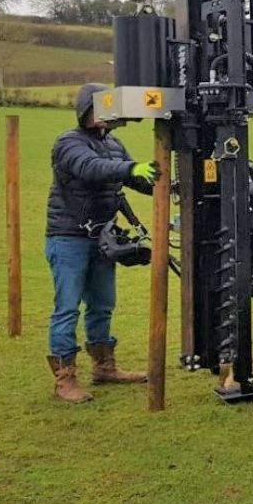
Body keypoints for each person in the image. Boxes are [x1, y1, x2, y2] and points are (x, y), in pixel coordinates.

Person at [44, 83, 160, 403]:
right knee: (68, 308)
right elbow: (91, 169)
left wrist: (168, 184)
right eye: (100, 110)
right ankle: (65, 378)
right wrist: (129, 168)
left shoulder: (115, 144)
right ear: (85, 112)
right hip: (69, 237)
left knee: (102, 303)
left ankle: (104, 367)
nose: (106, 117)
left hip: (102, 237)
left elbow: (134, 178)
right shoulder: (69, 143)